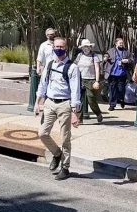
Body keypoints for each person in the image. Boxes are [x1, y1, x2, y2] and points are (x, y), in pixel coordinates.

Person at [34, 37, 81, 181]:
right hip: (49, 103)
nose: (58, 49)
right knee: (42, 133)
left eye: (61, 46)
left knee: (65, 138)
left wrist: (75, 112)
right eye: (56, 46)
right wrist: (37, 102)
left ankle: (65, 168)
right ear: (53, 46)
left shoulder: (72, 67)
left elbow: (75, 91)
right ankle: (56, 153)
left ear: (66, 48)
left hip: (65, 104)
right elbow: (43, 85)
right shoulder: (49, 64)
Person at [74, 39, 103, 124]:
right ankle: (79, 118)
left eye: (87, 47)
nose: (86, 49)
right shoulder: (79, 55)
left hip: (90, 80)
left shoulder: (94, 56)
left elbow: (97, 69)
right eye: (84, 47)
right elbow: (75, 66)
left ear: (90, 47)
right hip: (80, 79)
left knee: (91, 98)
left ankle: (98, 113)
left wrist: (97, 81)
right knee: (79, 99)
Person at [103, 38, 134, 111]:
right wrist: (105, 58)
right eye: (120, 43)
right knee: (112, 89)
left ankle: (121, 99)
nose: (121, 44)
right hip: (112, 74)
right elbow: (106, 55)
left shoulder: (126, 52)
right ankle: (112, 105)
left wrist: (127, 60)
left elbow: (132, 60)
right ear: (116, 43)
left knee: (121, 89)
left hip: (122, 74)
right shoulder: (111, 51)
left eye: (122, 43)